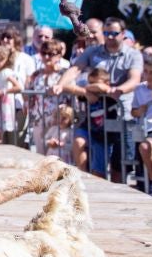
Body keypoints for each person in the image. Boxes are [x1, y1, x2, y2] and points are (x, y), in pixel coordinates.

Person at [56, 17, 142, 182]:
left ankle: (117, 198)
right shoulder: (93, 51)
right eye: (107, 33)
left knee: (119, 165)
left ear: (123, 34)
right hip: (97, 117)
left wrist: (119, 90)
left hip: (122, 116)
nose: (109, 37)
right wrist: (60, 84)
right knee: (96, 163)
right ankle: (88, 188)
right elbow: (75, 68)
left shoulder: (133, 55)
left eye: (114, 33)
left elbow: (134, 79)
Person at [27, 38, 69, 154]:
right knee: (40, 153)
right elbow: (30, 96)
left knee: (55, 153)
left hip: (57, 120)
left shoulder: (64, 74)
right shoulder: (36, 75)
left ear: (59, 55)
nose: (46, 57)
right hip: (38, 119)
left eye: (50, 54)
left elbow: (70, 98)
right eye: (43, 53)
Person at [132, 52, 152, 198]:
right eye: (147, 72)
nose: (149, 75)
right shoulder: (140, 89)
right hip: (151, 129)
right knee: (145, 147)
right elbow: (133, 111)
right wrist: (140, 110)